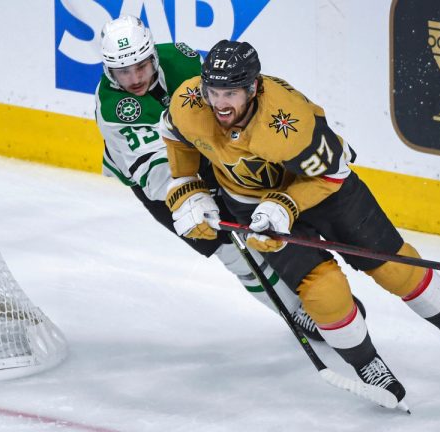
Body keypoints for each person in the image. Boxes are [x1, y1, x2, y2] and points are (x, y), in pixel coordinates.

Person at [159, 39, 440, 408]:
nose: (219, 103)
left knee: (394, 268)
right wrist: (187, 187)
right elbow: (176, 135)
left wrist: (286, 203)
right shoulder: (190, 103)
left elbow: (332, 173)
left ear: (252, 88)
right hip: (251, 202)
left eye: (231, 92)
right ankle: (368, 364)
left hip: (322, 188)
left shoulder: (286, 121)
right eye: (214, 91)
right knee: (324, 293)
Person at [92, 16, 327, 338]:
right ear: (108, 70)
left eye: (141, 67)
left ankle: (320, 294)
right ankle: (294, 312)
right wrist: (193, 194)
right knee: (233, 253)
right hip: (162, 184)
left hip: (209, 156)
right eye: (123, 72)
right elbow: (154, 173)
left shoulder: (182, 58)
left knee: (262, 226)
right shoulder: (113, 108)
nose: (134, 79)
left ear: (153, 57)